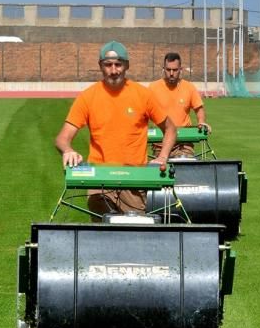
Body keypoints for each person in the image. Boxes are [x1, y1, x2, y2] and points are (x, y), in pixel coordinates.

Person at [55, 40, 177, 217]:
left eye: (118, 65)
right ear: (100, 66)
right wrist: (68, 150)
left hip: (135, 180)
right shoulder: (88, 97)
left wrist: (162, 157)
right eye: (108, 65)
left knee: (135, 234)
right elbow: (62, 138)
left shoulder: (143, 95)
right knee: (105, 231)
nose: (113, 70)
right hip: (99, 180)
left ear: (126, 65)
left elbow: (170, 129)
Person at [149, 51, 211, 157]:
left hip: (184, 145)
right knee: (159, 170)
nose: (171, 73)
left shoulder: (189, 87)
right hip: (161, 145)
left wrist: (201, 122)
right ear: (163, 69)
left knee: (186, 168)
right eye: (168, 70)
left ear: (180, 70)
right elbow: (143, 111)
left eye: (175, 70)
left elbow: (199, 108)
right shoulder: (153, 88)